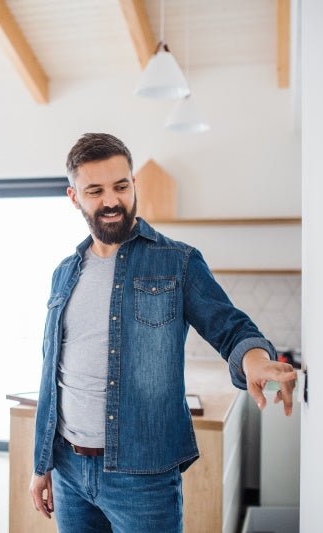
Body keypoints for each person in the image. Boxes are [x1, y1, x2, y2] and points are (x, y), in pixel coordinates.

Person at [29, 133, 297, 531]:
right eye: (95, 190)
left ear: (133, 184)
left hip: (143, 475)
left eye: (121, 186)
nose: (111, 201)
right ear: (74, 197)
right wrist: (42, 464)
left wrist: (257, 361)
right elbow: (53, 375)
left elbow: (230, 327)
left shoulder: (178, 262)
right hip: (69, 469)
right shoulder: (64, 274)